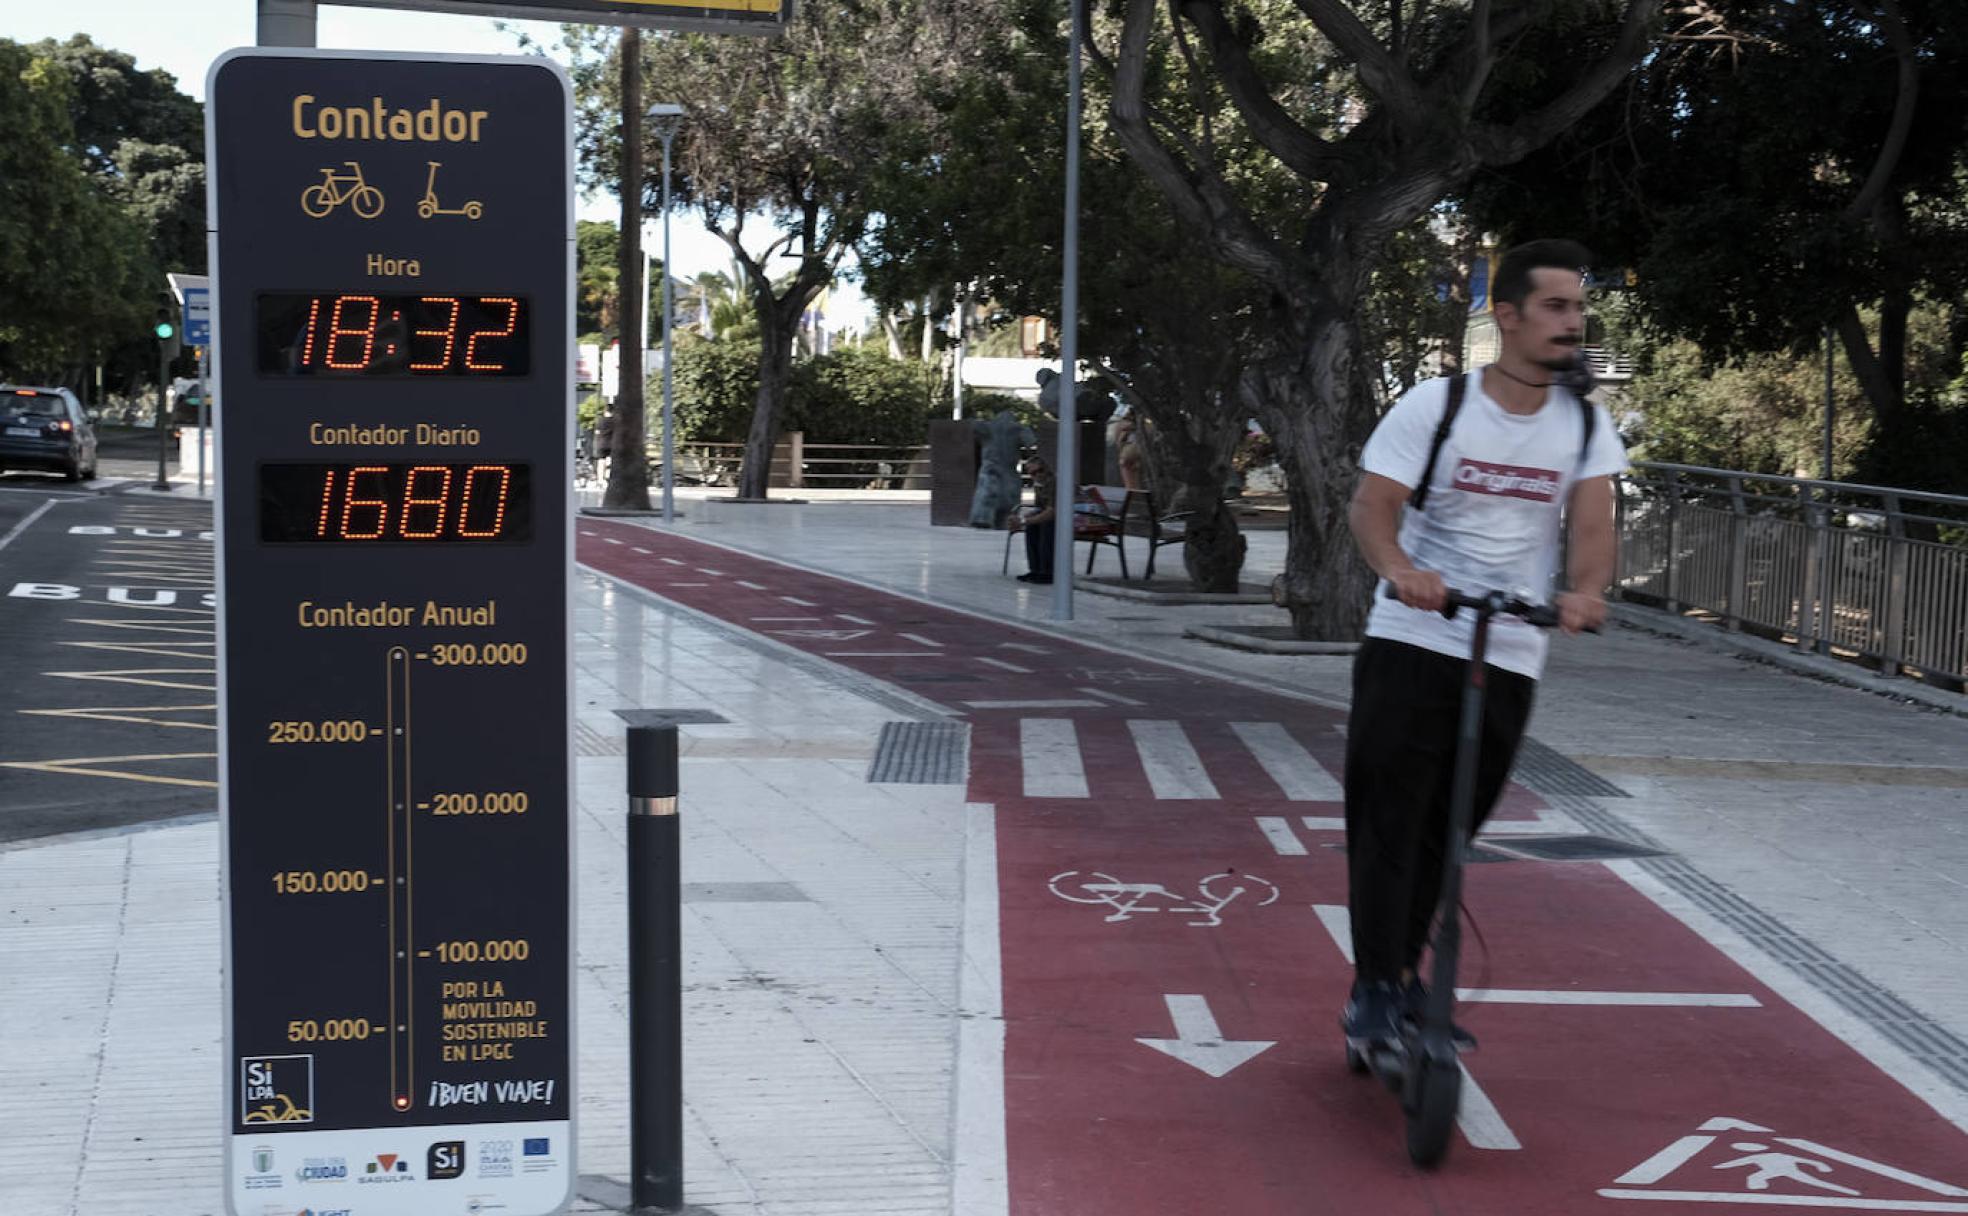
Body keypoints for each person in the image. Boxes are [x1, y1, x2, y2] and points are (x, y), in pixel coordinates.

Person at [1339, 238, 1628, 1052]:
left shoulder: (1583, 424)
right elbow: (1372, 506)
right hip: (1413, 635)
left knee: (1451, 827)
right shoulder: (1438, 406)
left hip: (1510, 648)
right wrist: (1402, 570)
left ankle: (1403, 973)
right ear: (1508, 316)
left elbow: (1594, 526)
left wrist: (1586, 591)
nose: (1572, 322)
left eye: (1578, 307)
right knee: (1391, 819)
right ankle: (1376, 988)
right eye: (1556, 306)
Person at [1006, 452, 1057, 584]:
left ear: (1046, 469)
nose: (1037, 475)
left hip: (1075, 518)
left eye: (1040, 471)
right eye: (1033, 473)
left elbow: (1052, 511)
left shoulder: (1054, 483)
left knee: (1046, 523)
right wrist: (1023, 518)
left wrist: (1024, 521)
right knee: (1034, 524)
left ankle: (1048, 571)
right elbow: (1040, 508)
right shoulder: (1038, 485)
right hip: (1056, 517)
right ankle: (1036, 569)